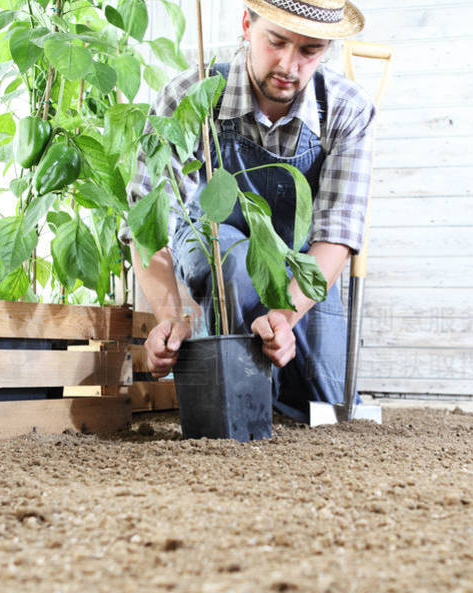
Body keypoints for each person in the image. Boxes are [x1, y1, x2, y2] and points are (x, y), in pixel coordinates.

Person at [119, 0, 374, 422]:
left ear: (326, 48)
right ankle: (227, 387)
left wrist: (284, 317)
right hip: (212, 245)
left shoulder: (347, 108)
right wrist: (170, 316)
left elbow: (337, 236)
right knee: (235, 265)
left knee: (324, 398)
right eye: (276, 42)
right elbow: (147, 225)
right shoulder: (190, 96)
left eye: (310, 50)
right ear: (246, 26)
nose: (290, 65)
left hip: (296, 262)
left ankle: (241, 362)